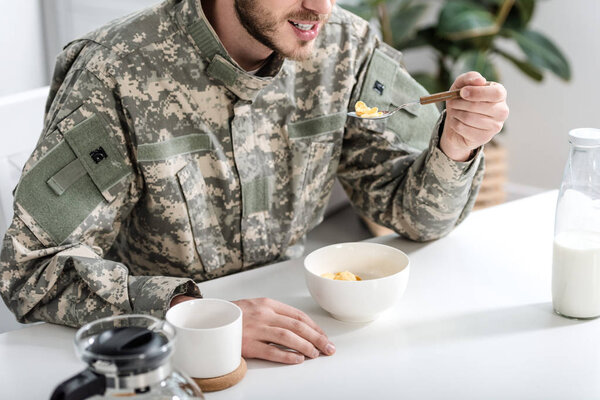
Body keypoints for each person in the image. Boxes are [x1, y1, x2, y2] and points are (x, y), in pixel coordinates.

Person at [0, 0, 508, 365]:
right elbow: (32, 270)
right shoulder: (114, 68)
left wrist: (454, 147)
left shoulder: (348, 47)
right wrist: (192, 312)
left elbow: (416, 219)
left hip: (309, 335)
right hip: (172, 356)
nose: (321, 8)